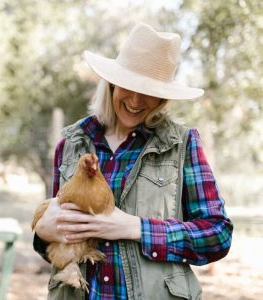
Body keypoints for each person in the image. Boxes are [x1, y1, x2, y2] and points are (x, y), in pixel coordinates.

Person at [33, 23, 233, 300]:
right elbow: (56, 242)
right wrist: (41, 234)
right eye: (129, 86)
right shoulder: (71, 143)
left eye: (150, 91)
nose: (137, 101)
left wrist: (137, 228)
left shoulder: (182, 145)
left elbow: (217, 235)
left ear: (164, 97)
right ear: (112, 83)